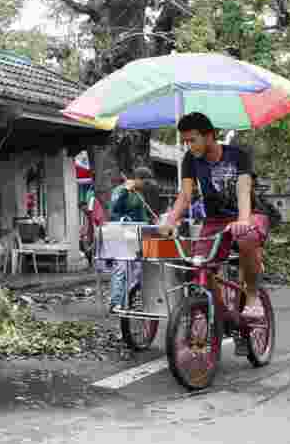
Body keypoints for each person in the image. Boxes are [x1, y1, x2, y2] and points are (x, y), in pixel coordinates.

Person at [160, 112, 270, 338]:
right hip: (215, 221)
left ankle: (251, 296)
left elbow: (243, 189)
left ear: (209, 136)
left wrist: (243, 219)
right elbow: (185, 195)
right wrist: (171, 220)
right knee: (197, 265)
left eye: (193, 140)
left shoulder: (238, 155)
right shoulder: (191, 160)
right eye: (185, 141)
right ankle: (223, 315)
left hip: (249, 214)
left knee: (246, 236)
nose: (189, 146)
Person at [107, 166, 156, 313]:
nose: (146, 186)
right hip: (122, 234)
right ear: (138, 179)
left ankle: (131, 298)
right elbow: (114, 209)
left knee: (139, 269)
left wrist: (151, 226)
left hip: (136, 235)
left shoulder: (139, 194)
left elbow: (142, 216)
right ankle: (116, 302)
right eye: (145, 182)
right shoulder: (121, 190)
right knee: (121, 267)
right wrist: (124, 191)